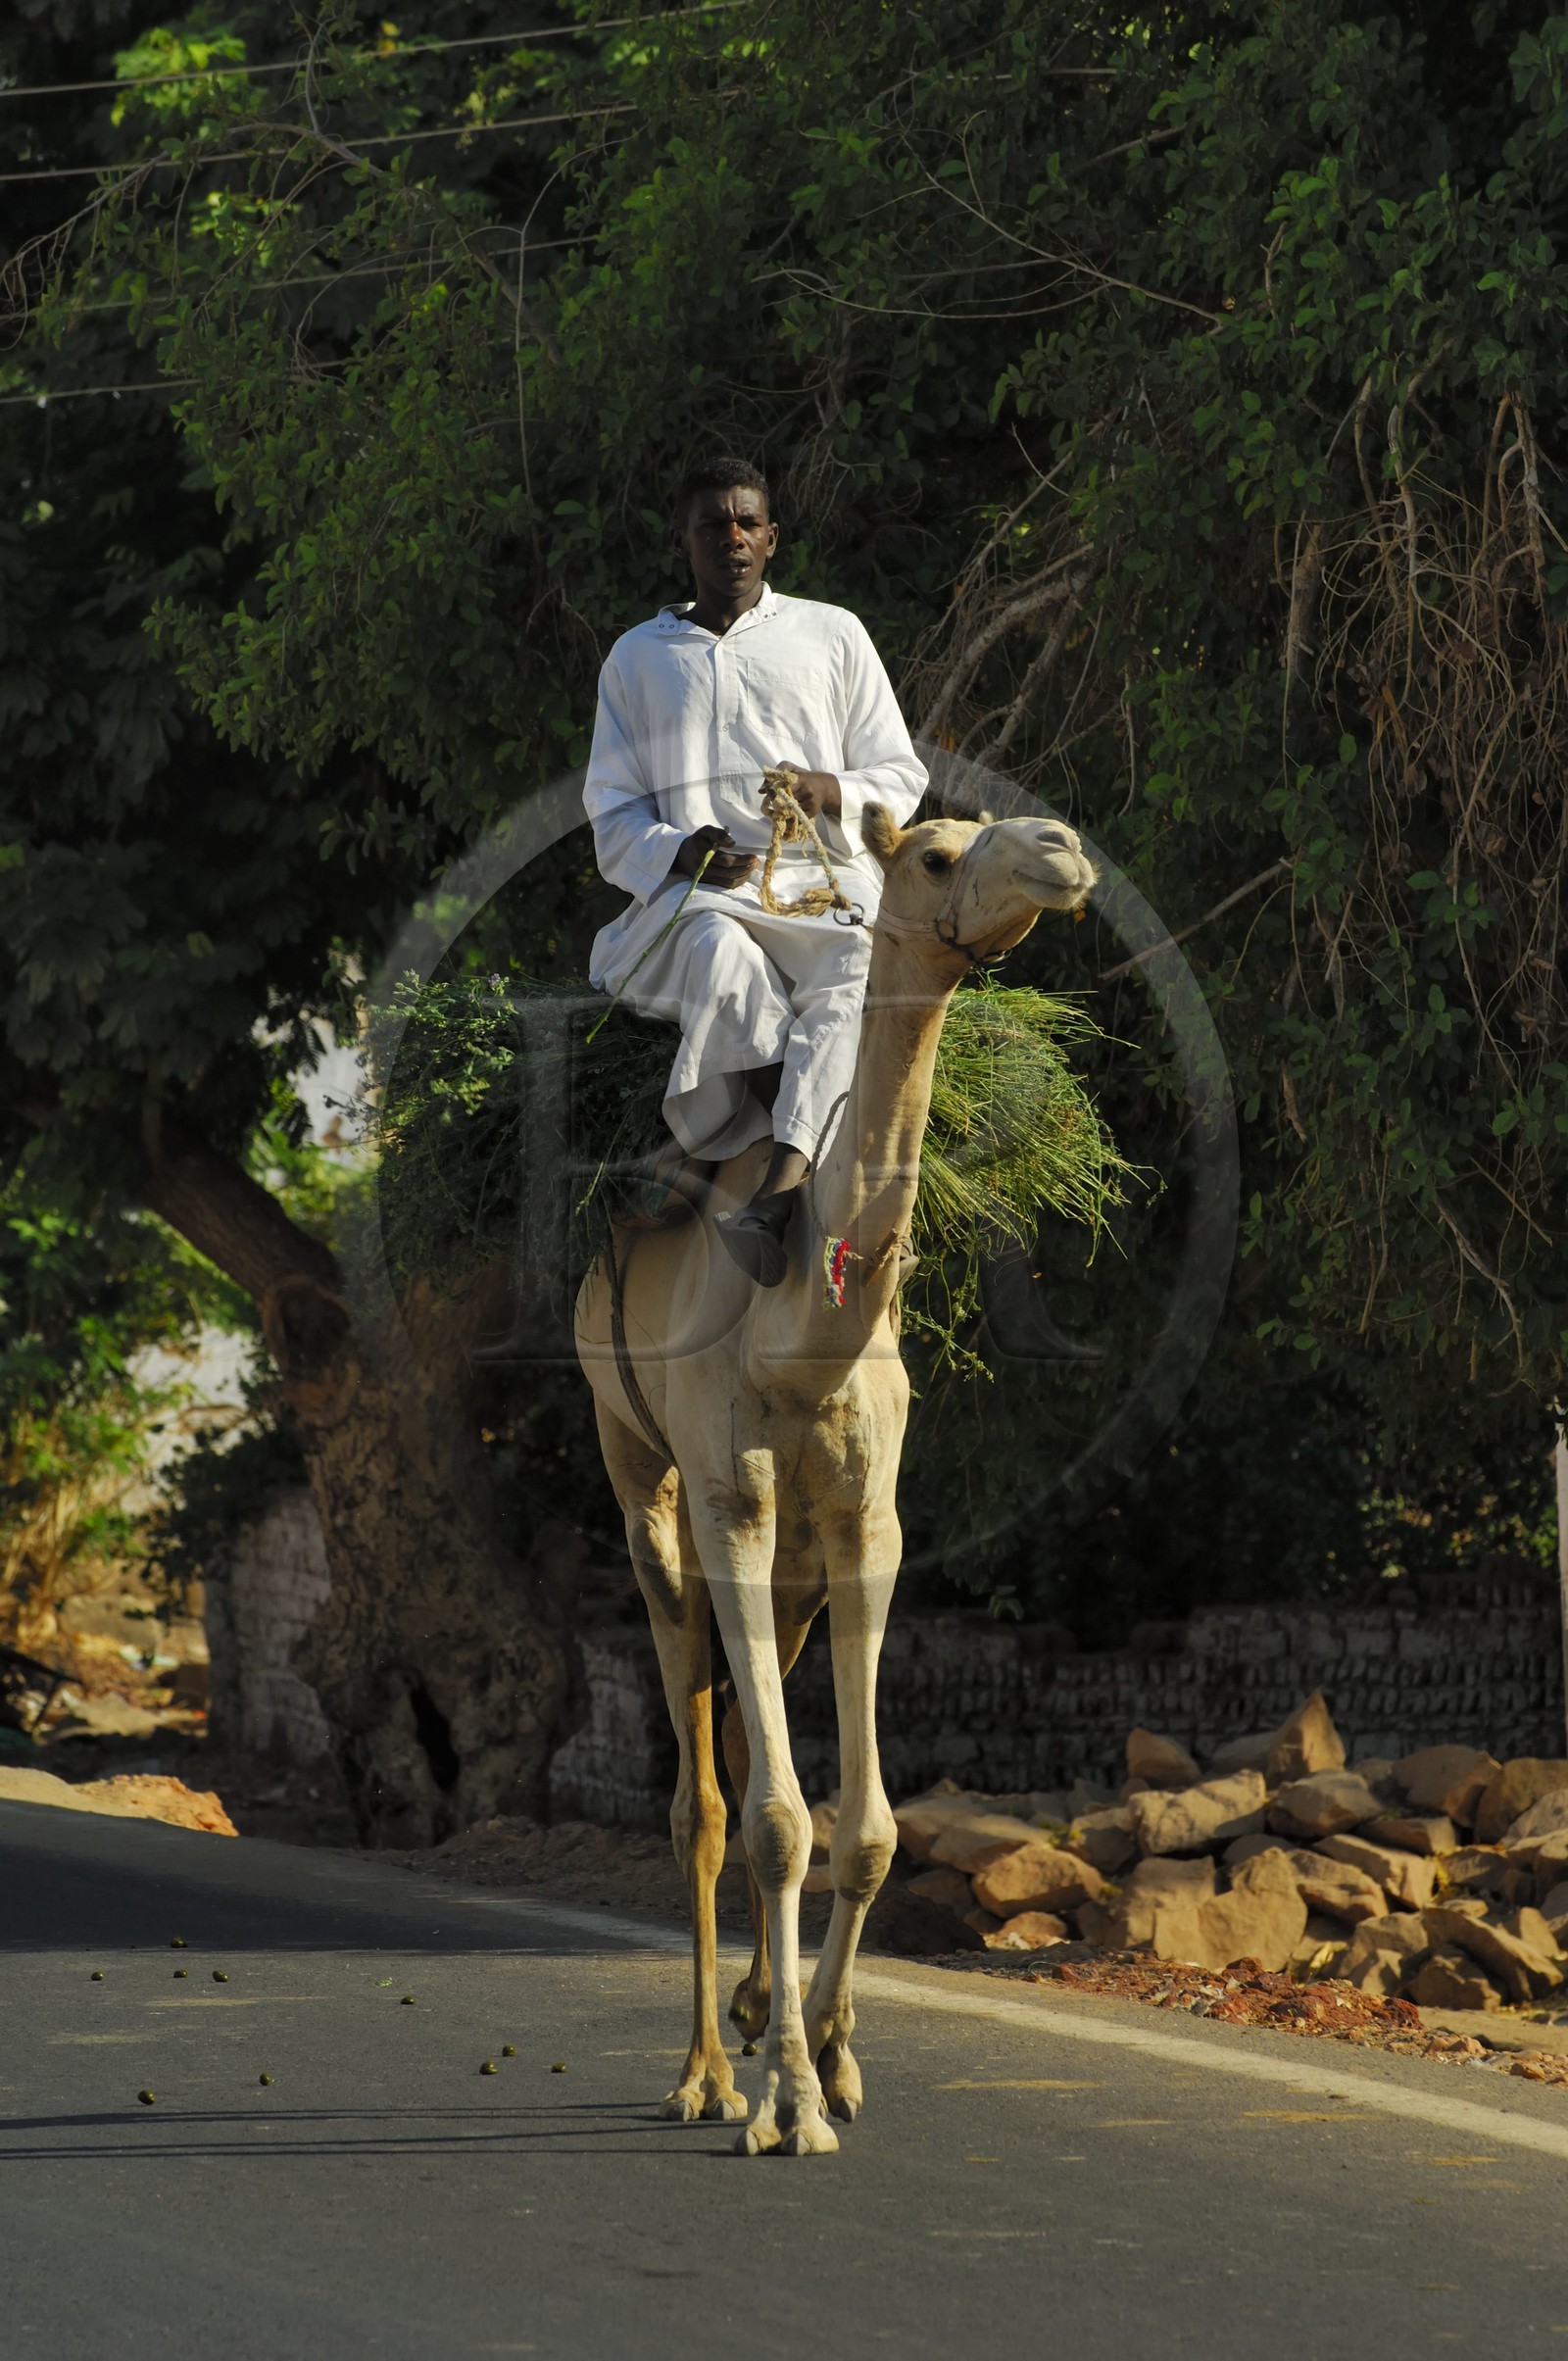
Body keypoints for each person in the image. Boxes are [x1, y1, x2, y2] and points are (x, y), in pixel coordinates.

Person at [583, 455, 927, 1287]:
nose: (732, 538)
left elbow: (900, 774)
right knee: (716, 952)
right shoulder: (636, 659)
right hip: (700, 898)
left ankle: (778, 1184)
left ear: (772, 538)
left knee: (858, 965)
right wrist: (681, 848)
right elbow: (613, 810)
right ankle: (722, 1141)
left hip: (820, 891)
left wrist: (827, 787)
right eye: (713, 524)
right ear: (682, 541)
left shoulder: (832, 632)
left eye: (747, 523)